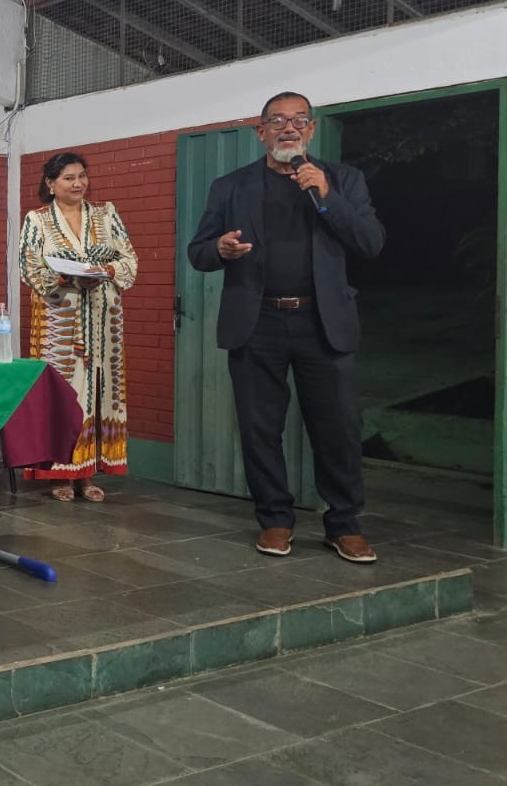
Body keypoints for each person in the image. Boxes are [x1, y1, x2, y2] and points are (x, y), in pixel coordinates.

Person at [188, 92, 385, 564]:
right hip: (257, 321)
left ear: (311, 129)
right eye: (277, 120)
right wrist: (220, 250)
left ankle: (344, 524)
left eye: (299, 120)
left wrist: (327, 195)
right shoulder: (230, 186)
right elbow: (198, 252)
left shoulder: (343, 180)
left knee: (337, 428)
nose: (289, 128)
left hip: (323, 320)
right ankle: (275, 519)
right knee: (260, 428)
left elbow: (371, 242)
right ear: (261, 132)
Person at [19, 153, 139, 503]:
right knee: (63, 395)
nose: (78, 183)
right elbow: (29, 267)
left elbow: (129, 259)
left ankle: (87, 475)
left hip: (103, 320)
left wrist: (108, 271)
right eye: (69, 178)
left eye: (82, 176)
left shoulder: (106, 214)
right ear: (50, 183)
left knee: (100, 393)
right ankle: (60, 474)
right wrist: (64, 277)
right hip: (59, 321)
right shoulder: (38, 220)